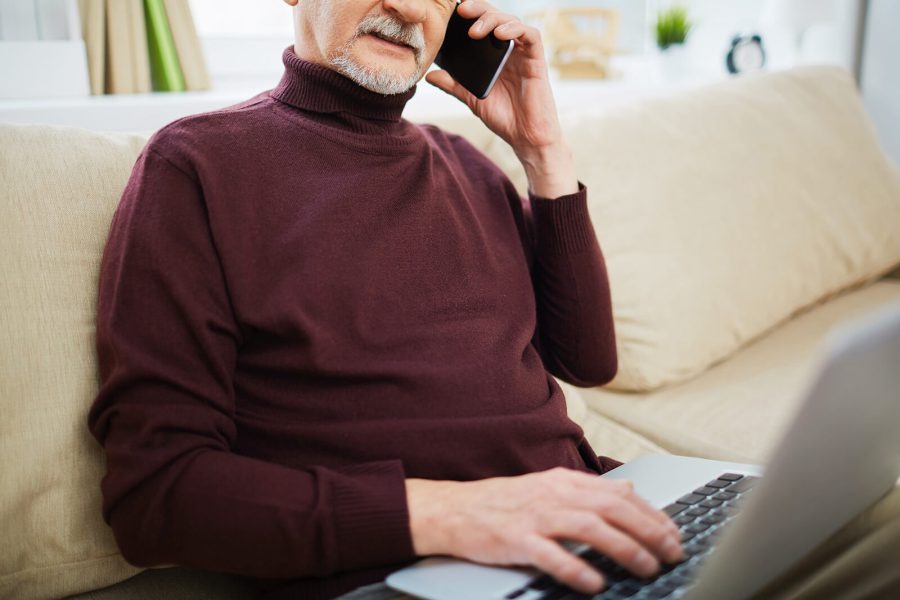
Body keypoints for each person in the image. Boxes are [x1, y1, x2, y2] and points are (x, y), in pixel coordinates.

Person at [87, 1, 685, 598]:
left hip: (590, 520)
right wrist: (458, 514)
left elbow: (588, 361)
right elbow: (156, 496)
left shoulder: (469, 167)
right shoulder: (196, 164)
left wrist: (544, 152)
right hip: (412, 576)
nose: (408, 7)